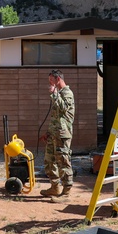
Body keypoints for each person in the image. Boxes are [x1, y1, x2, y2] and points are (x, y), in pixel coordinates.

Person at [40, 69, 75, 201]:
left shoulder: (67, 93)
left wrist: (54, 93)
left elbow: (63, 108)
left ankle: (66, 193)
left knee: (63, 162)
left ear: (58, 79)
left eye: (51, 80)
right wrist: (48, 133)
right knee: (49, 161)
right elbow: (55, 117)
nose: (49, 83)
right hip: (54, 134)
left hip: (62, 134)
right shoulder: (59, 93)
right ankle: (54, 187)